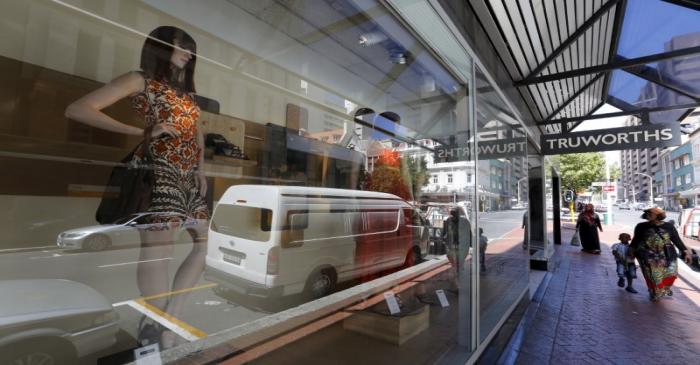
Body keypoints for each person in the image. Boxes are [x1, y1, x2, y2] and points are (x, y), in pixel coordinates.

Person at [66, 26, 209, 347]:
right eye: (180, 47)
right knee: (160, 249)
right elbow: (78, 109)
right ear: (160, 47)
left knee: (204, 243)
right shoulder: (140, 79)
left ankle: (169, 317)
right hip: (158, 170)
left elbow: (196, 130)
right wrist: (142, 132)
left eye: (190, 49)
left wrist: (201, 167)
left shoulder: (183, 91)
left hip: (188, 175)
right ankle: (160, 327)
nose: (188, 53)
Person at [631, 207, 692, 302]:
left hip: (667, 254)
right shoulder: (641, 226)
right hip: (648, 255)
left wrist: (685, 251)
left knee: (671, 273)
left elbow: (676, 239)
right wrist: (631, 251)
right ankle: (654, 292)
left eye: (650, 213)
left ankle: (665, 288)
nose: (648, 215)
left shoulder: (668, 226)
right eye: (646, 213)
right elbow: (636, 240)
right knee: (653, 275)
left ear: (658, 215)